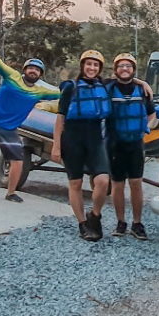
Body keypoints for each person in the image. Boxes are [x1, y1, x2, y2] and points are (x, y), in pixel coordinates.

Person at [0, 20, 60, 204]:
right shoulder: (11, 76)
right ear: (24, 70)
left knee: (18, 160)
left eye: (37, 70)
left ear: (40, 75)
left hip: (10, 128)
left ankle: (11, 192)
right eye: (30, 68)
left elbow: (65, 92)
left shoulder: (41, 91)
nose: (33, 71)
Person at [53, 50, 113, 241]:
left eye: (96, 65)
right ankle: (82, 224)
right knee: (75, 182)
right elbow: (60, 119)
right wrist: (56, 146)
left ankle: (94, 216)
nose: (92, 68)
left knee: (103, 181)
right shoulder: (71, 87)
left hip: (95, 138)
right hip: (72, 138)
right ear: (82, 66)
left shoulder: (103, 86)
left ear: (100, 69)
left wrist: (142, 83)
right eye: (89, 64)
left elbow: (126, 79)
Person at [104, 53, 159, 239]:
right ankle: (121, 222)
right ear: (115, 70)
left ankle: (137, 224)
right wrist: (141, 81)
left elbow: (152, 115)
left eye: (128, 66)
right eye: (121, 66)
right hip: (115, 143)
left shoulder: (142, 91)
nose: (125, 69)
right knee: (118, 185)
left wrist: (148, 126)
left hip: (136, 143)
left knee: (136, 184)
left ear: (133, 69)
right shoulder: (108, 88)